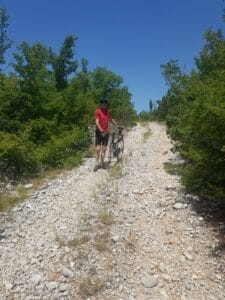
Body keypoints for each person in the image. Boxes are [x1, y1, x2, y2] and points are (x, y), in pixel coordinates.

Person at [94, 98, 118, 171]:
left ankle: (102, 163)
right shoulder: (97, 111)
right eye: (102, 103)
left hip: (106, 133)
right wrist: (101, 130)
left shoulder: (108, 112)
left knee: (104, 149)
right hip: (98, 132)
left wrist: (117, 126)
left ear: (107, 104)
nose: (104, 104)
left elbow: (111, 120)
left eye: (105, 103)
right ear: (101, 104)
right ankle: (97, 163)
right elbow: (97, 122)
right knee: (98, 149)